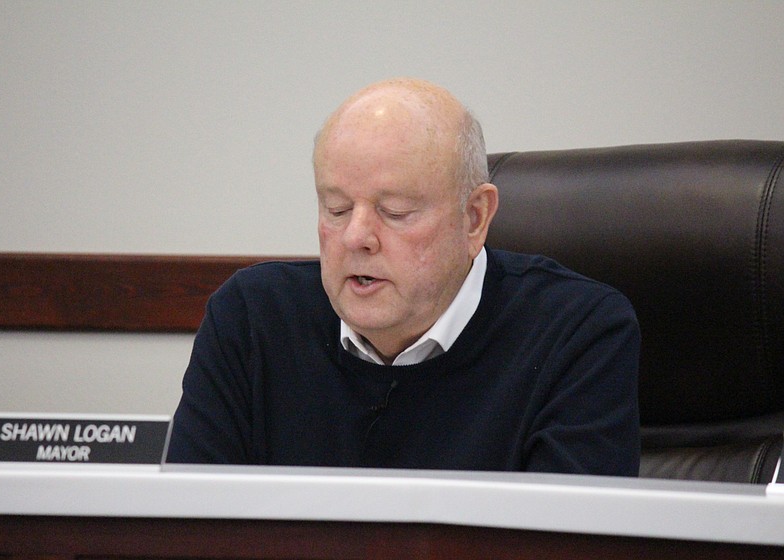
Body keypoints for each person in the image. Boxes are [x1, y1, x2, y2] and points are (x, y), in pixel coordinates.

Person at [166, 78, 641, 475]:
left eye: (394, 212)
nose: (356, 237)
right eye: (336, 208)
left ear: (474, 218)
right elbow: (186, 530)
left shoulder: (577, 331)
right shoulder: (251, 319)